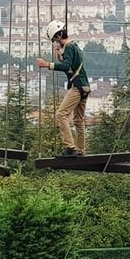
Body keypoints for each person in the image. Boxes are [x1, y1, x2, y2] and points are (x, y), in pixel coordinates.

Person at [36, 20, 91, 158]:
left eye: (55, 40)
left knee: (61, 115)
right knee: (78, 121)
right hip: (84, 86)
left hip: (77, 87)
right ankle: (81, 150)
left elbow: (66, 66)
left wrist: (47, 64)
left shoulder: (69, 47)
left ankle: (70, 148)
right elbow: (71, 65)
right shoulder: (74, 46)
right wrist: (61, 57)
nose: (56, 43)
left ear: (59, 36)